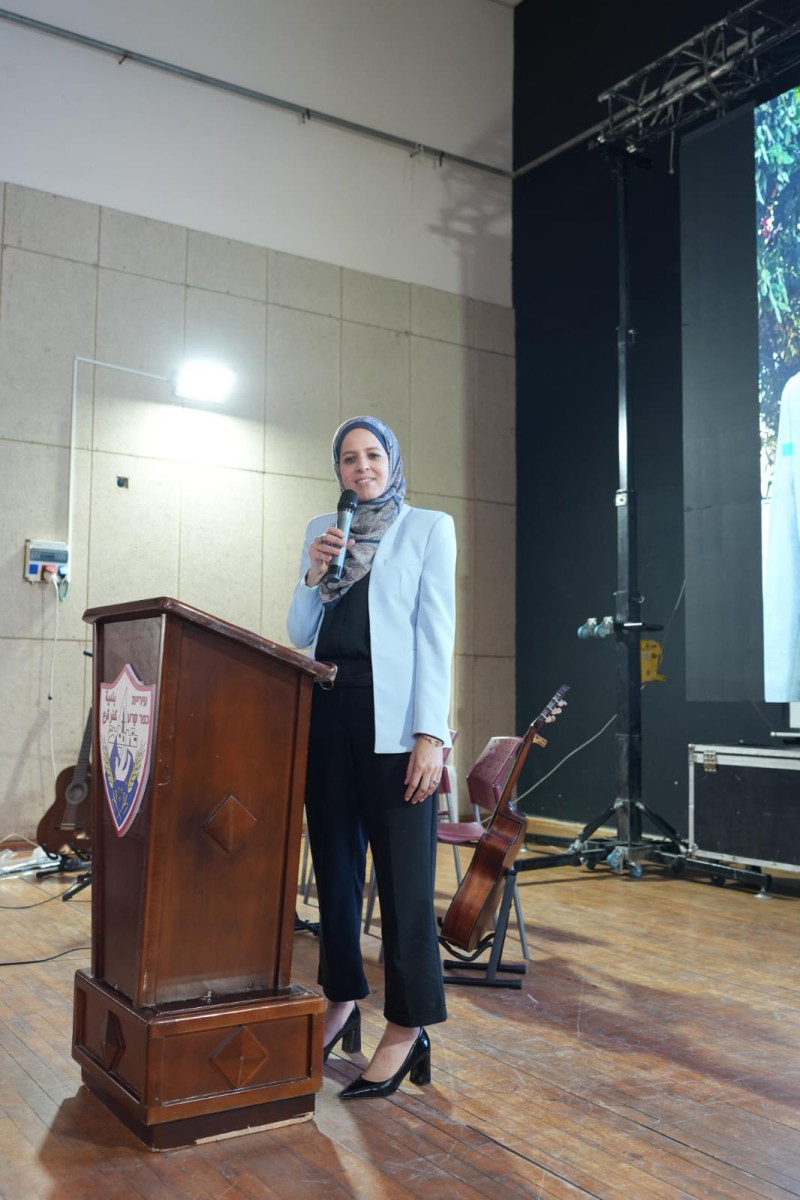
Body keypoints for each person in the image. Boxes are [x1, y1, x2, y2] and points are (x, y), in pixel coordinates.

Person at [287, 415, 456, 1100]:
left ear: (392, 460)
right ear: (338, 470)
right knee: (333, 868)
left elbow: (435, 635)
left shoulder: (428, 529)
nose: (362, 467)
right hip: (327, 713)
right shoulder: (322, 530)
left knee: (404, 882)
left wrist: (431, 736)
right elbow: (298, 631)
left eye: (373, 455)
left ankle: (408, 1026)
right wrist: (313, 572)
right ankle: (342, 997)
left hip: (395, 727)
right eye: (349, 458)